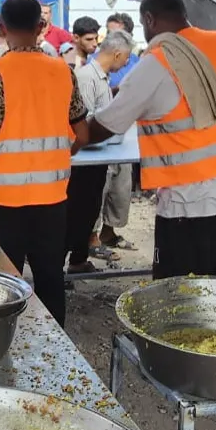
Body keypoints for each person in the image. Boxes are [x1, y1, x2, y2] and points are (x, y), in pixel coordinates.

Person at [88, 0, 216, 279]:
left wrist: (68, 136)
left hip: (192, 205)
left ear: (149, 20)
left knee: (178, 301)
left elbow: (105, 126)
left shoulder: (156, 63)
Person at [0, 0, 89, 325]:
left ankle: (6, 346)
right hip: (53, 200)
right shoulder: (63, 70)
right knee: (50, 276)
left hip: (4, 202)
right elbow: (82, 135)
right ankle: (56, 346)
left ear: (1, 28)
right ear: (41, 27)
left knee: (4, 280)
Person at [65, 29, 134, 274]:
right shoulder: (86, 78)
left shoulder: (102, 79)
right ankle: (66, 262)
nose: (126, 63)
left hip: (99, 156)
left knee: (90, 209)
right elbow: (82, 121)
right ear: (117, 54)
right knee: (78, 211)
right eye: (126, 58)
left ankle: (78, 259)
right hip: (84, 160)